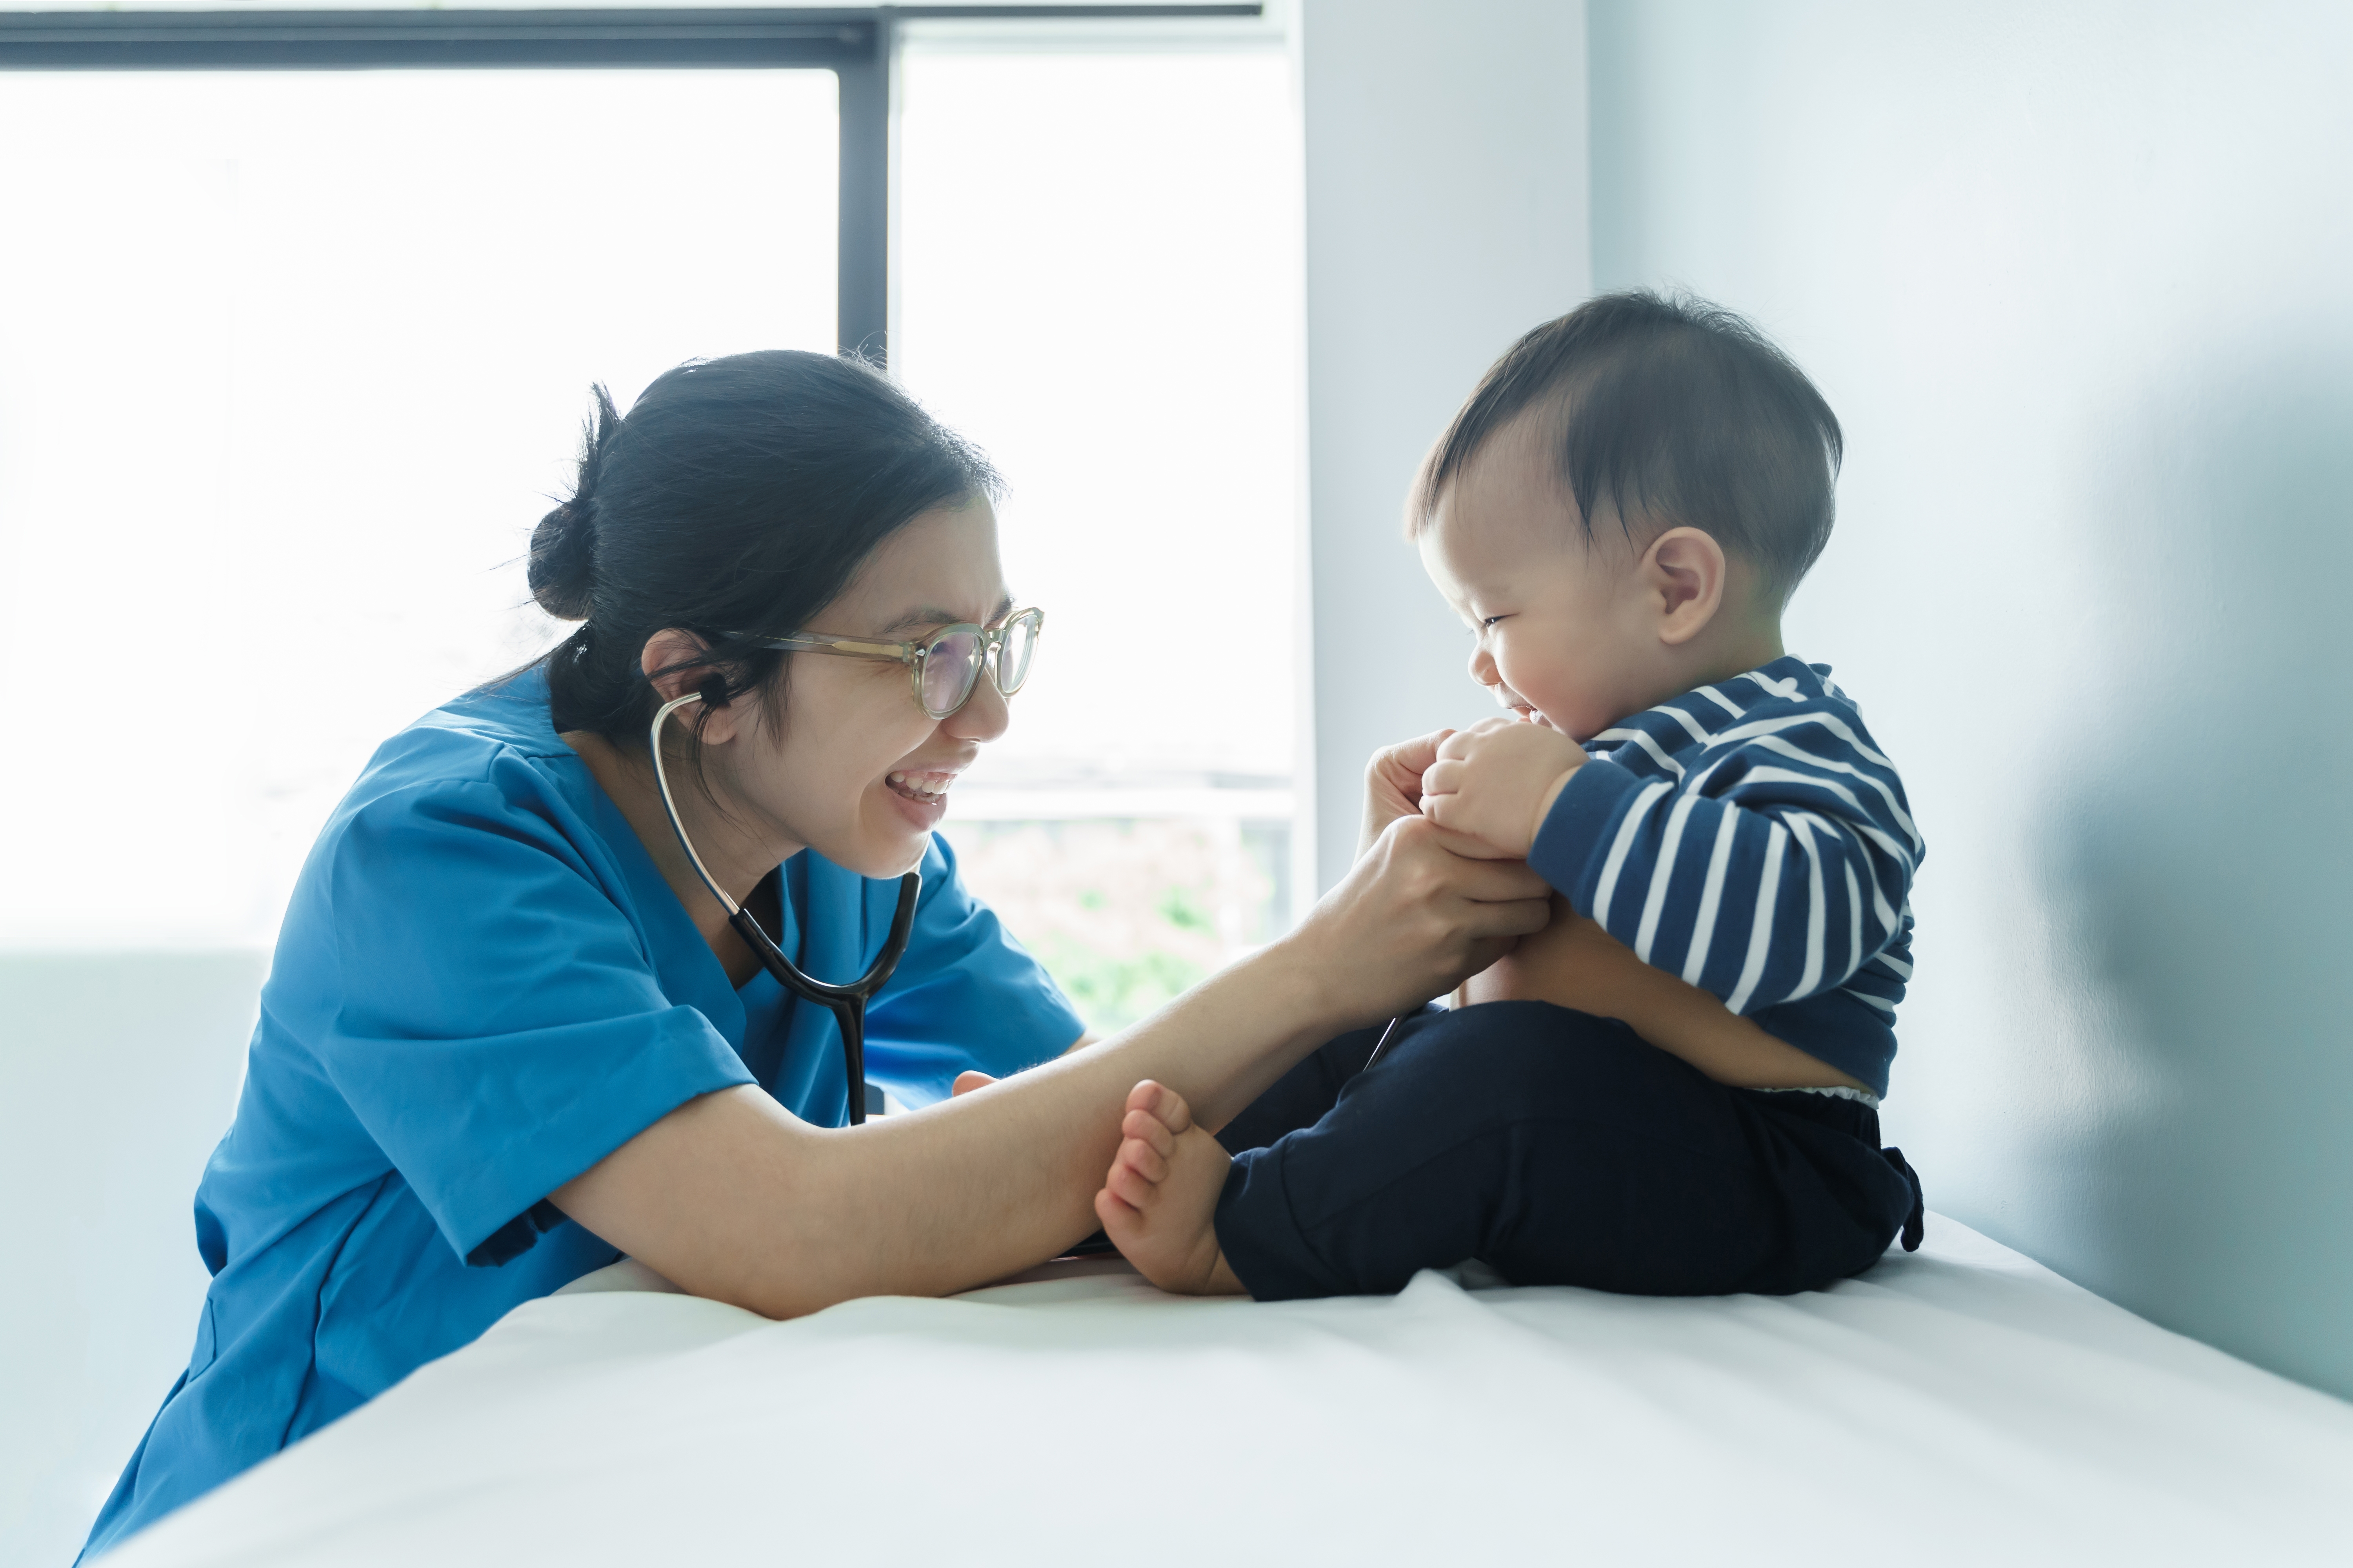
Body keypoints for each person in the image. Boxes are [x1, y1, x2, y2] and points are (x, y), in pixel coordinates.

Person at [81, 351, 1554, 1559]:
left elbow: (1112, 1112)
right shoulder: (439, 856)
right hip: (318, 1511)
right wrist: (1319, 967)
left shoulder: (835, 844)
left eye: (995, 645)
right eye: (927, 660)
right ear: (700, 683)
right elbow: (793, 1227)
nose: (984, 722)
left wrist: (1386, 947)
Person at [1093, 292, 1927, 1301]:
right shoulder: (1605, 750)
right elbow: (1470, 972)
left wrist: (1559, 808)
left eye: (1493, 615)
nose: (1484, 664)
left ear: (1675, 589)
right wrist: (1398, 866)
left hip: (1765, 1162)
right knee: (1350, 1031)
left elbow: (1792, 929)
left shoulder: (1796, 741)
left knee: (1498, 1077)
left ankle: (1244, 1232)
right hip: (1602, 1127)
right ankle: (1097, 1143)